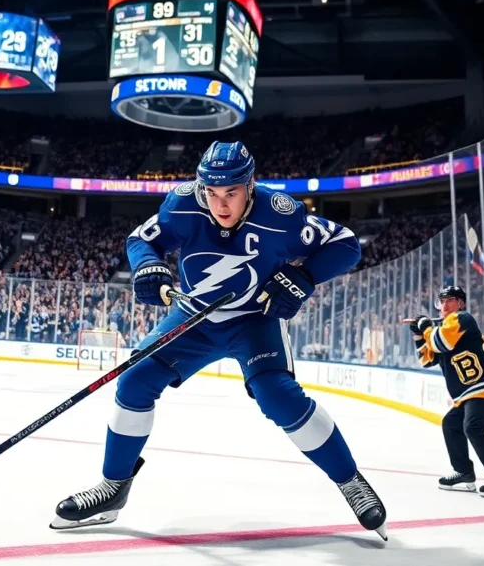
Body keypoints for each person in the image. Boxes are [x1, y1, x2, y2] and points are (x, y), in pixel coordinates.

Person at [50, 141, 388, 540]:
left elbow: (346, 244)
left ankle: (350, 481)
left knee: (278, 397)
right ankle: (113, 487)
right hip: (194, 315)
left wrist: (304, 275)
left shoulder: (280, 214)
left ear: (250, 185)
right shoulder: (182, 204)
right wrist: (148, 266)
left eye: (231, 193)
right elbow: (140, 239)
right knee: (135, 379)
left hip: (254, 319)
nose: (220, 205)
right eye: (211, 193)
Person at [410, 286, 484, 498]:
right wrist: (419, 336)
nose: (444, 305)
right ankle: (464, 473)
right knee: (451, 424)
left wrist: (426, 327)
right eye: (442, 301)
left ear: (461, 303)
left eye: (450, 300)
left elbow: (439, 342)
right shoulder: (445, 327)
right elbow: (427, 360)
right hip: (471, 392)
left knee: (473, 427)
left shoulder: (461, 319)